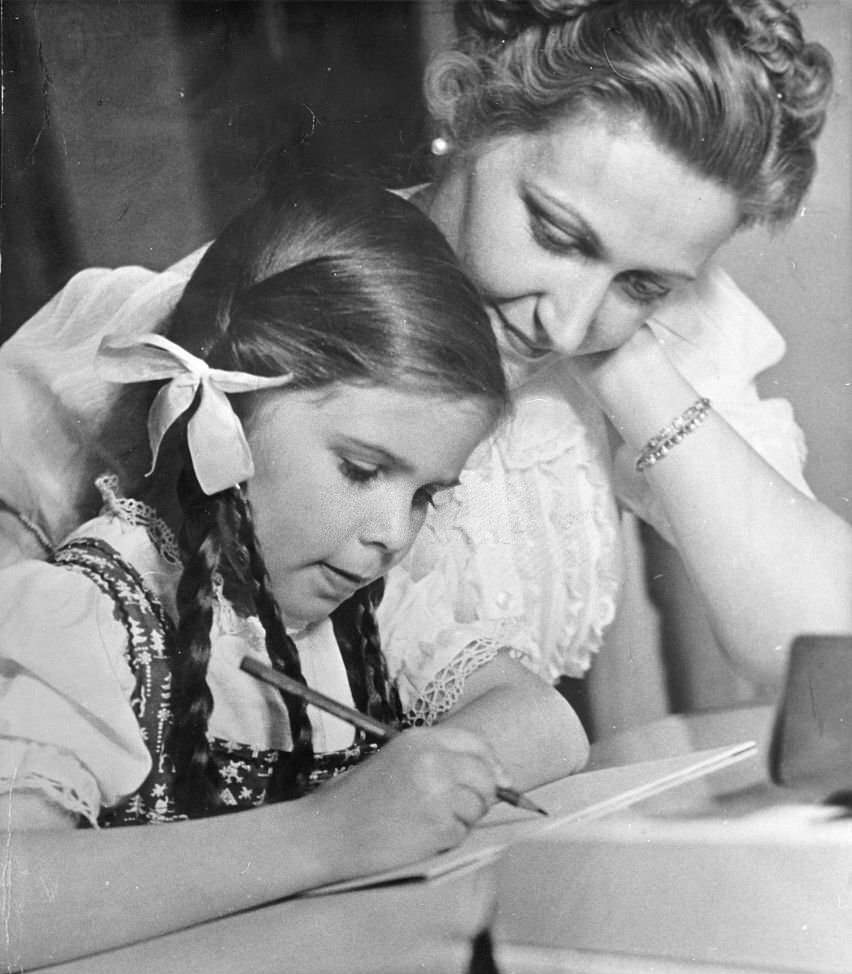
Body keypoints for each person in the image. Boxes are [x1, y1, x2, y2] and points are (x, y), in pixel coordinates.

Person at [2, 0, 850, 735]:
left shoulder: (609, 334)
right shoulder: (258, 306)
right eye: (557, 234)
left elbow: (823, 648)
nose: (569, 319)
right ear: (469, 108)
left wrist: (627, 361)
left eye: (644, 281)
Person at [0, 174, 588, 973]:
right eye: (361, 469)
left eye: (425, 495)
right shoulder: (95, 615)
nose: (392, 534)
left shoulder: (369, 610)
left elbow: (548, 725)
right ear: (225, 420)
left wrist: (419, 783)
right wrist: (326, 836)